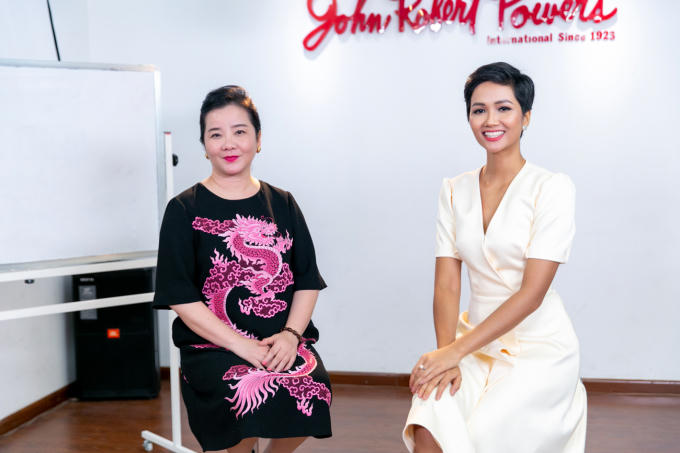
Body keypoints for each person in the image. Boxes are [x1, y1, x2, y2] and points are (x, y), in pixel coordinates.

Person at [402, 62, 587, 453]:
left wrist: (454, 351)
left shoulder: (552, 188)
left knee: (486, 433)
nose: (490, 120)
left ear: (526, 117)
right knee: (429, 420)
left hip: (538, 348)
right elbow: (446, 284)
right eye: (479, 109)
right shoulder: (454, 189)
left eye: (504, 108)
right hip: (472, 343)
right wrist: (447, 354)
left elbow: (532, 294)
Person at [153, 86, 332, 453]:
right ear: (204, 145)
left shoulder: (283, 203)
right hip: (213, 345)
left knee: (314, 390)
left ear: (258, 139)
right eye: (216, 134)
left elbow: (307, 279)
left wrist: (291, 335)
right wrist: (240, 345)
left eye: (239, 131)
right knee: (242, 404)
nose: (229, 144)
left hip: (279, 340)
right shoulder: (183, 209)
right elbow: (180, 296)